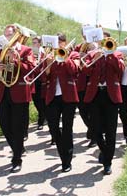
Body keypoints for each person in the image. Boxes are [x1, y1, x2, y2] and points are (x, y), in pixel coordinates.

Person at [0, 24, 35, 173]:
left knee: (17, 127)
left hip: (19, 93)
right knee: (3, 123)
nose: (7, 37)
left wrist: (16, 60)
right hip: (4, 92)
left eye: (9, 35)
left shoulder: (26, 50)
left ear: (17, 35)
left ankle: (16, 159)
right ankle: (18, 147)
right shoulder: (1, 51)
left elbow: (30, 68)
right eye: (5, 35)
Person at [83, 34, 124, 175]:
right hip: (95, 94)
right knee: (95, 129)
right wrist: (94, 59)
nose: (104, 43)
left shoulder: (117, 53)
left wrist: (110, 55)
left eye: (106, 41)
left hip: (111, 95)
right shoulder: (92, 54)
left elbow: (120, 69)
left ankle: (107, 163)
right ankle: (106, 152)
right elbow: (85, 71)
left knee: (111, 131)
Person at [43, 33, 80, 172]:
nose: (58, 44)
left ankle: (67, 160)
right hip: (52, 96)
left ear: (65, 43)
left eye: (60, 42)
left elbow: (74, 71)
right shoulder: (48, 56)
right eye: (56, 42)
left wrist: (64, 57)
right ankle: (63, 153)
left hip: (69, 96)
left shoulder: (73, 55)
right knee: (53, 128)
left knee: (67, 128)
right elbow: (44, 77)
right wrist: (47, 64)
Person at [31, 36, 46, 131]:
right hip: (34, 79)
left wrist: (40, 62)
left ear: (40, 43)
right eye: (33, 42)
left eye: (35, 42)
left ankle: (41, 120)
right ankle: (43, 116)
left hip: (42, 79)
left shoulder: (43, 52)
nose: (33, 44)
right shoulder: (32, 52)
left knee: (41, 101)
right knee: (36, 101)